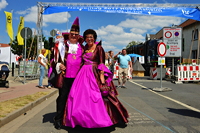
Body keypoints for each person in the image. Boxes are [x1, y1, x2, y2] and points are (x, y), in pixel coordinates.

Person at [63, 29, 129, 128]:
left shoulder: (99, 48)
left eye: (91, 37)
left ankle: (103, 119)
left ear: (94, 38)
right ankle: (81, 119)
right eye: (87, 37)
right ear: (84, 39)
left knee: (100, 96)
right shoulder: (84, 48)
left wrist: (102, 77)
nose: (89, 39)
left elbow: (101, 63)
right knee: (79, 96)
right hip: (82, 73)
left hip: (95, 73)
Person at [51, 17, 84, 130]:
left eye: (76, 34)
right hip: (65, 77)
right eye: (72, 33)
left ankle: (73, 119)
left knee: (76, 99)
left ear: (79, 36)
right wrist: (58, 65)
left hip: (78, 79)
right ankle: (59, 119)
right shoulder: (62, 46)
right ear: (69, 34)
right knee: (62, 97)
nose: (74, 35)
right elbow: (53, 60)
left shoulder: (82, 48)